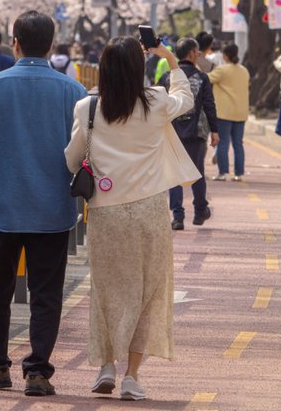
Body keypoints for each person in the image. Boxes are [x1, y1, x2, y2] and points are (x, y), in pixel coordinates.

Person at [0, 11, 86, 398]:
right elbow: (85, 152)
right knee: (47, 293)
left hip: (3, 205)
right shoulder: (73, 91)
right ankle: (38, 371)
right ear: (51, 44)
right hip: (54, 207)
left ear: (15, 42)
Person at [66, 36, 198, 401]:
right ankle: (132, 376)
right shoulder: (155, 101)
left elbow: (72, 158)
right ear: (139, 69)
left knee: (106, 290)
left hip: (107, 211)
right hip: (151, 210)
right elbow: (186, 100)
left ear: (103, 68)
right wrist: (170, 59)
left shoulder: (87, 108)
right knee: (147, 291)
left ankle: (105, 366)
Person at [160, 37, 218, 230]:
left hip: (172, 130)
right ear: (192, 54)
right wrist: (215, 130)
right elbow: (209, 105)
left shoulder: (167, 77)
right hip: (197, 131)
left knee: (174, 174)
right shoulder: (202, 78)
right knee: (197, 171)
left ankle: (178, 216)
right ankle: (200, 210)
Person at [208, 43, 250, 181]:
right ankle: (238, 174)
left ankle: (222, 173)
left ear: (225, 55)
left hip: (224, 112)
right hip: (240, 112)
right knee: (238, 144)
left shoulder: (222, 70)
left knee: (223, 143)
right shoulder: (244, 70)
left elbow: (206, 79)